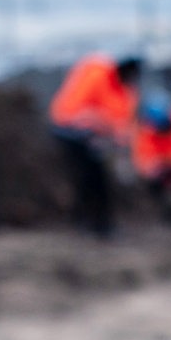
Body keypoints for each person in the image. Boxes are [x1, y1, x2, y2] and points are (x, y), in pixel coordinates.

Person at [47, 54, 143, 237]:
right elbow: (73, 111)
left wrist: (122, 148)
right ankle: (88, 221)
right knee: (87, 178)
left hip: (93, 138)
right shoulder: (96, 72)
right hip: (71, 133)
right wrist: (101, 126)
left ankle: (97, 222)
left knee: (96, 179)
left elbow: (123, 125)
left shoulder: (125, 92)